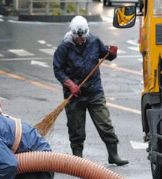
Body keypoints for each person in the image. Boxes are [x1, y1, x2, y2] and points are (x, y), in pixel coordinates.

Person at [52, 15, 128, 166]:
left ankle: (113, 155)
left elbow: (106, 54)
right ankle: (77, 158)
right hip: (74, 95)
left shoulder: (93, 41)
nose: (81, 40)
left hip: (94, 91)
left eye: (83, 37)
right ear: (72, 34)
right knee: (76, 128)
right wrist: (69, 84)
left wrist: (111, 53)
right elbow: (58, 69)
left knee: (105, 123)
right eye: (77, 38)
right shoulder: (63, 48)